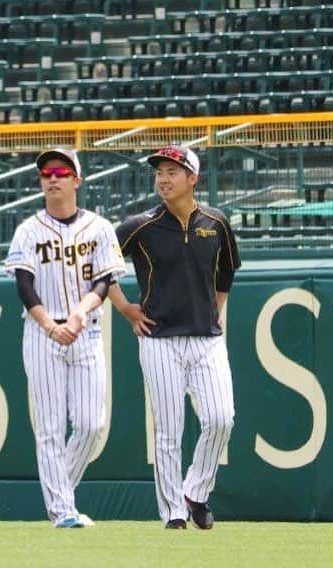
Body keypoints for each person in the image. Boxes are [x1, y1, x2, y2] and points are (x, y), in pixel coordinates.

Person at [108, 145, 240, 530]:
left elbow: (226, 273)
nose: (163, 179)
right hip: (159, 339)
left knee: (221, 419)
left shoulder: (216, 223)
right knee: (168, 430)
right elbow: (100, 266)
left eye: (172, 171)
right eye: (160, 172)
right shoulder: (140, 225)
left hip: (207, 339)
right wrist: (125, 307)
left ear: (192, 179)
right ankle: (174, 514)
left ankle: (196, 492)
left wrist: (216, 309)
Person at [4, 148, 126, 529]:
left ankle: (62, 495)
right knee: (50, 427)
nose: (52, 178)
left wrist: (79, 312)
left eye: (60, 171)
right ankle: (63, 510)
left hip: (86, 330)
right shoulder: (27, 230)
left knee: (91, 424)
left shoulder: (100, 227)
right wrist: (50, 325)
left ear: (77, 179)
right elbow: (24, 286)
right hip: (42, 333)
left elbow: (105, 282)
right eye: (45, 173)